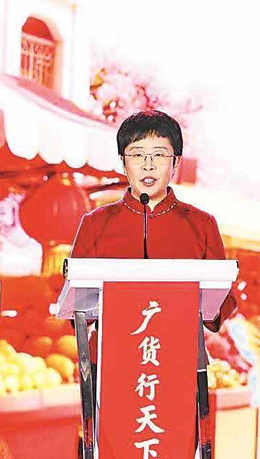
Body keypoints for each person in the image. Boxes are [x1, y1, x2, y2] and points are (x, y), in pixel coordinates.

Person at [70, 109, 238, 397]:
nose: (148, 165)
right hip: (111, 370)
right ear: (123, 162)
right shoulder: (96, 224)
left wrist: (212, 301)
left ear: (175, 163)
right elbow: (76, 308)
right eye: (137, 155)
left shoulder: (201, 225)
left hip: (180, 368)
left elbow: (222, 306)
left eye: (159, 155)